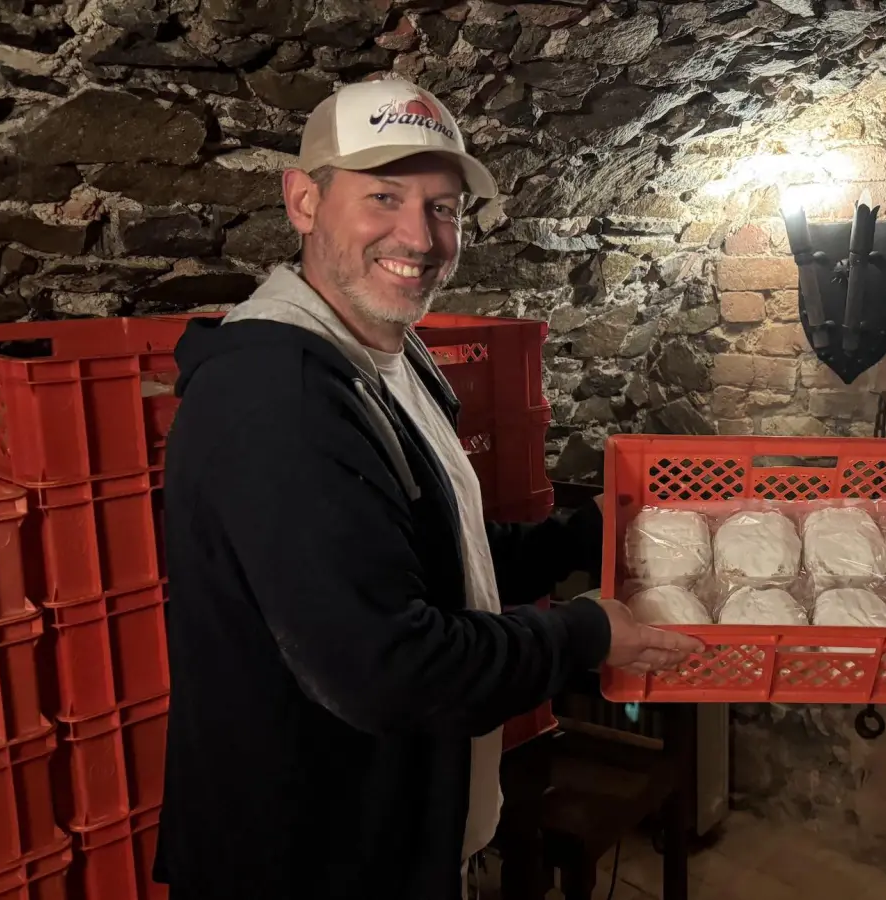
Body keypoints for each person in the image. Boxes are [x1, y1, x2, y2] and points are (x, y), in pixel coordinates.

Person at [152, 78, 702, 900]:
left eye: (442, 208)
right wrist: (583, 638)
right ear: (303, 200)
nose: (421, 236)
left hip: (398, 832)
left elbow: (435, 560)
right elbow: (388, 668)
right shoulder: (282, 402)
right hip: (312, 861)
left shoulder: (387, 356)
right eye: (383, 196)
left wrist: (592, 534)